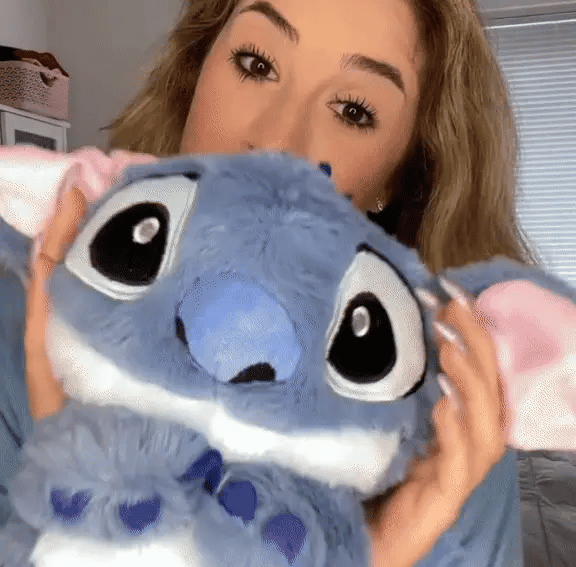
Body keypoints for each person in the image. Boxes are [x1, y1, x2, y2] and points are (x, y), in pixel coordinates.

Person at [1, 0, 537, 565]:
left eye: (354, 111)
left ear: (399, 175)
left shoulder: (451, 438)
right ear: (195, 72)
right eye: (256, 65)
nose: (279, 141)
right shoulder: (22, 344)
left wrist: (377, 552)